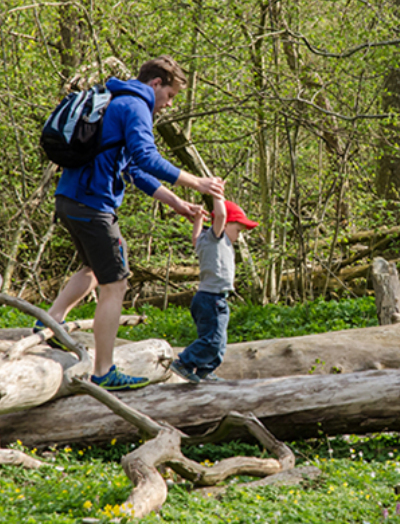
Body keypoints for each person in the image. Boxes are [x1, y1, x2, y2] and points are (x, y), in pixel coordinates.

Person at [44, 56, 225, 390]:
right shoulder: (136, 105)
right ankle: (103, 371)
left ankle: (51, 325)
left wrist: (176, 202)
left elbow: (133, 169)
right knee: (116, 284)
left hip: (70, 198)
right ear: (156, 84)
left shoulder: (118, 100)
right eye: (170, 96)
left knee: (94, 269)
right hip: (92, 204)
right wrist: (196, 182)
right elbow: (148, 157)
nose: (169, 105)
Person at [169, 188, 257, 384]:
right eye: (238, 229)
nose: (239, 235)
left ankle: (204, 371)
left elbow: (194, 238)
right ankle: (184, 363)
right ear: (224, 225)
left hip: (211, 298)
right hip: (211, 299)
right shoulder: (216, 238)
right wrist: (217, 194)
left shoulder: (204, 241)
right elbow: (222, 215)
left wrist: (198, 219)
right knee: (213, 340)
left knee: (218, 340)